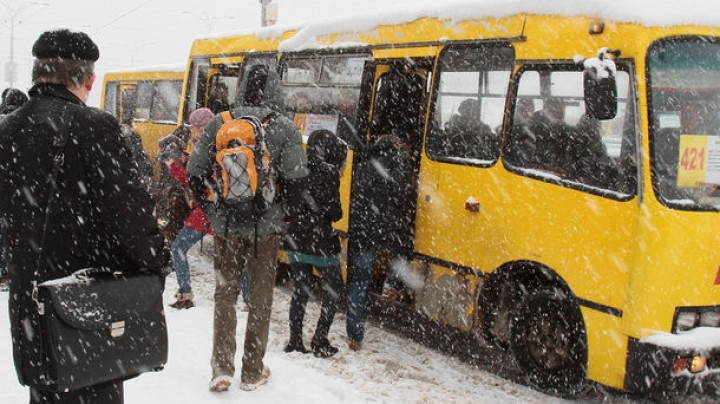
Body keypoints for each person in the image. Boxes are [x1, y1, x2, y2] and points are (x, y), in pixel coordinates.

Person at [0, 29, 168, 404]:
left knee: (46, 391)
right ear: (89, 79)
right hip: (87, 311)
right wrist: (157, 259)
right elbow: (132, 215)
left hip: (31, 311)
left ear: (36, 74)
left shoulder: (6, 130)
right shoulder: (95, 126)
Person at [187, 63, 308, 392]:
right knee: (260, 299)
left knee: (225, 296)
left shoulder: (219, 122)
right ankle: (252, 371)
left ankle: (221, 369)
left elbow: (195, 172)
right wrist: (282, 215)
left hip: (226, 228)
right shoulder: (284, 127)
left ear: (240, 89)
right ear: (276, 90)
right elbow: (297, 181)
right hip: (265, 231)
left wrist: (212, 211)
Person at [346, 132, 414, 351]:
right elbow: (402, 199)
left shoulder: (363, 166)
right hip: (387, 231)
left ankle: (354, 336)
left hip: (362, 232)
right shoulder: (400, 170)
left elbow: (356, 197)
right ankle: (392, 283)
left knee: (360, 282)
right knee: (405, 246)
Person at [283, 129, 348, 358]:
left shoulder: (295, 167)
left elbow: (288, 206)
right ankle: (320, 340)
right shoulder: (329, 172)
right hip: (321, 244)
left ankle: (295, 340)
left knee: (300, 291)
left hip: (296, 243)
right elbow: (336, 212)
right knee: (334, 290)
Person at [167, 108, 215, 309]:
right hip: (222, 208)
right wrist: (189, 160)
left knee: (178, 248)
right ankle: (249, 300)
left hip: (206, 209)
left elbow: (192, 181)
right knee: (234, 255)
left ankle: (185, 294)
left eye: (193, 127)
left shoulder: (204, 148)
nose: (191, 131)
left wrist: (172, 165)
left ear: (200, 127)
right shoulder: (217, 143)